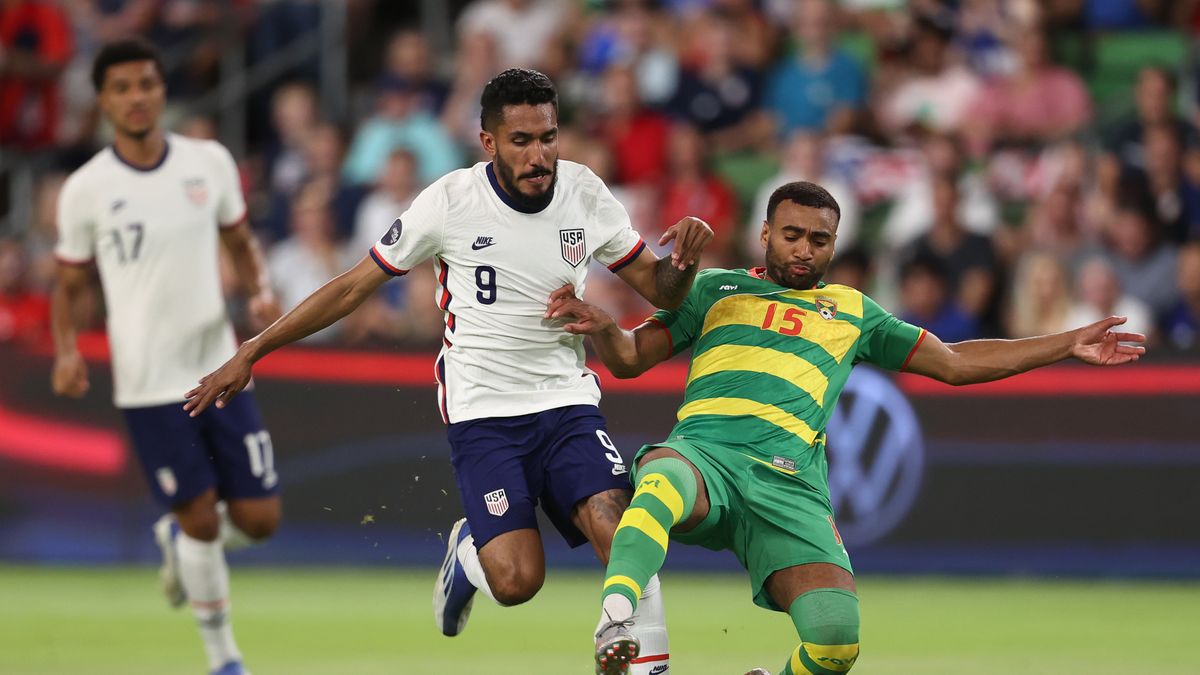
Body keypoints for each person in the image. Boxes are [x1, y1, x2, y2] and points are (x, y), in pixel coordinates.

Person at [183, 68, 715, 675]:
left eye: (548, 137)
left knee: (618, 525)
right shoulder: (449, 202)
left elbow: (662, 289)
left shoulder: (584, 191)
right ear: (488, 143)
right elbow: (352, 287)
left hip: (566, 399)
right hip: (483, 411)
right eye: (522, 141)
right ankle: (467, 556)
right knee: (517, 581)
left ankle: (644, 664)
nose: (540, 154)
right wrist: (252, 349)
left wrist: (685, 264)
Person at [545, 181, 1146, 675]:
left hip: (790, 487)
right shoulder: (714, 290)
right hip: (708, 458)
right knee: (660, 480)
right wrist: (603, 326)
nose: (804, 249)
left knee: (836, 640)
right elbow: (627, 360)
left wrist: (1067, 342)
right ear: (765, 234)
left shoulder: (855, 311)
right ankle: (620, 620)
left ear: (834, 245)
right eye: (792, 235)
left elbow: (957, 363)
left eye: (819, 240)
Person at [50, 40, 283, 675]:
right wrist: (67, 350)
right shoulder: (86, 189)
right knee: (204, 518)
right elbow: (69, 285)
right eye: (121, 87)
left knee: (261, 519)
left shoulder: (207, 161)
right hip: (150, 382)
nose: (136, 97)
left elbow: (240, 243)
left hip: (220, 365)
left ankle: (177, 539)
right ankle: (224, 658)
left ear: (162, 91)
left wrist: (260, 291)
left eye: (146, 84)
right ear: (103, 101)